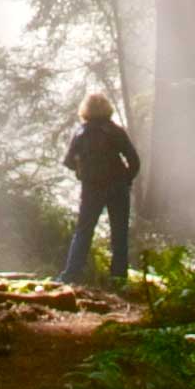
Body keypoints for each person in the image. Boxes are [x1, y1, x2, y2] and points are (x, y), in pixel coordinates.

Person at [58, 89, 139, 287]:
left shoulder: (80, 133)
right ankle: (119, 279)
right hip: (117, 187)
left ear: (86, 110)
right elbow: (134, 161)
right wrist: (126, 179)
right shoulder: (116, 131)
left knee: (83, 232)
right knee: (119, 234)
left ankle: (70, 276)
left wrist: (81, 171)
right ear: (107, 109)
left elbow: (68, 161)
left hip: (91, 188)